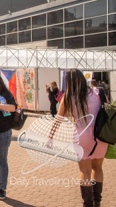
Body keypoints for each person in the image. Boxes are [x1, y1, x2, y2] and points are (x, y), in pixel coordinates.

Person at [50, 69, 107, 207]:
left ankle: (88, 204)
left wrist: (50, 137)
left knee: (85, 171)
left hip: (82, 136)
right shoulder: (98, 92)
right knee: (97, 168)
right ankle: (97, 202)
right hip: (100, 136)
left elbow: (58, 118)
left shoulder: (69, 96)